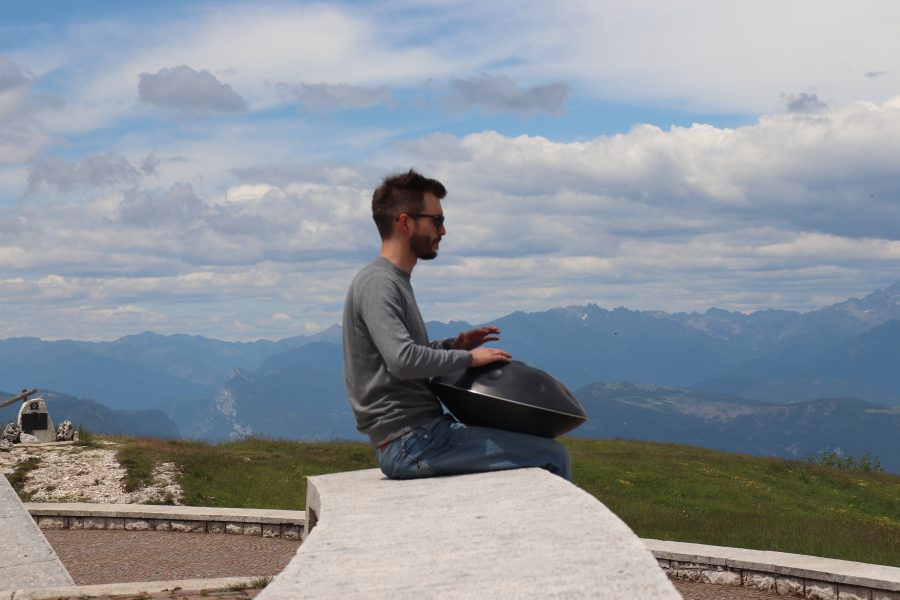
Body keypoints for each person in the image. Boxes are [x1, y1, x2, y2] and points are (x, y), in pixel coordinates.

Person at [342, 169, 571, 480]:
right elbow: (402, 360)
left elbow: (402, 355)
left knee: (535, 447)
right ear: (406, 222)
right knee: (551, 456)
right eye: (436, 221)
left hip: (420, 435)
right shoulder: (379, 283)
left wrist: (454, 346)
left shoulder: (391, 281)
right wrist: (469, 358)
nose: (443, 231)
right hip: (412, 442)